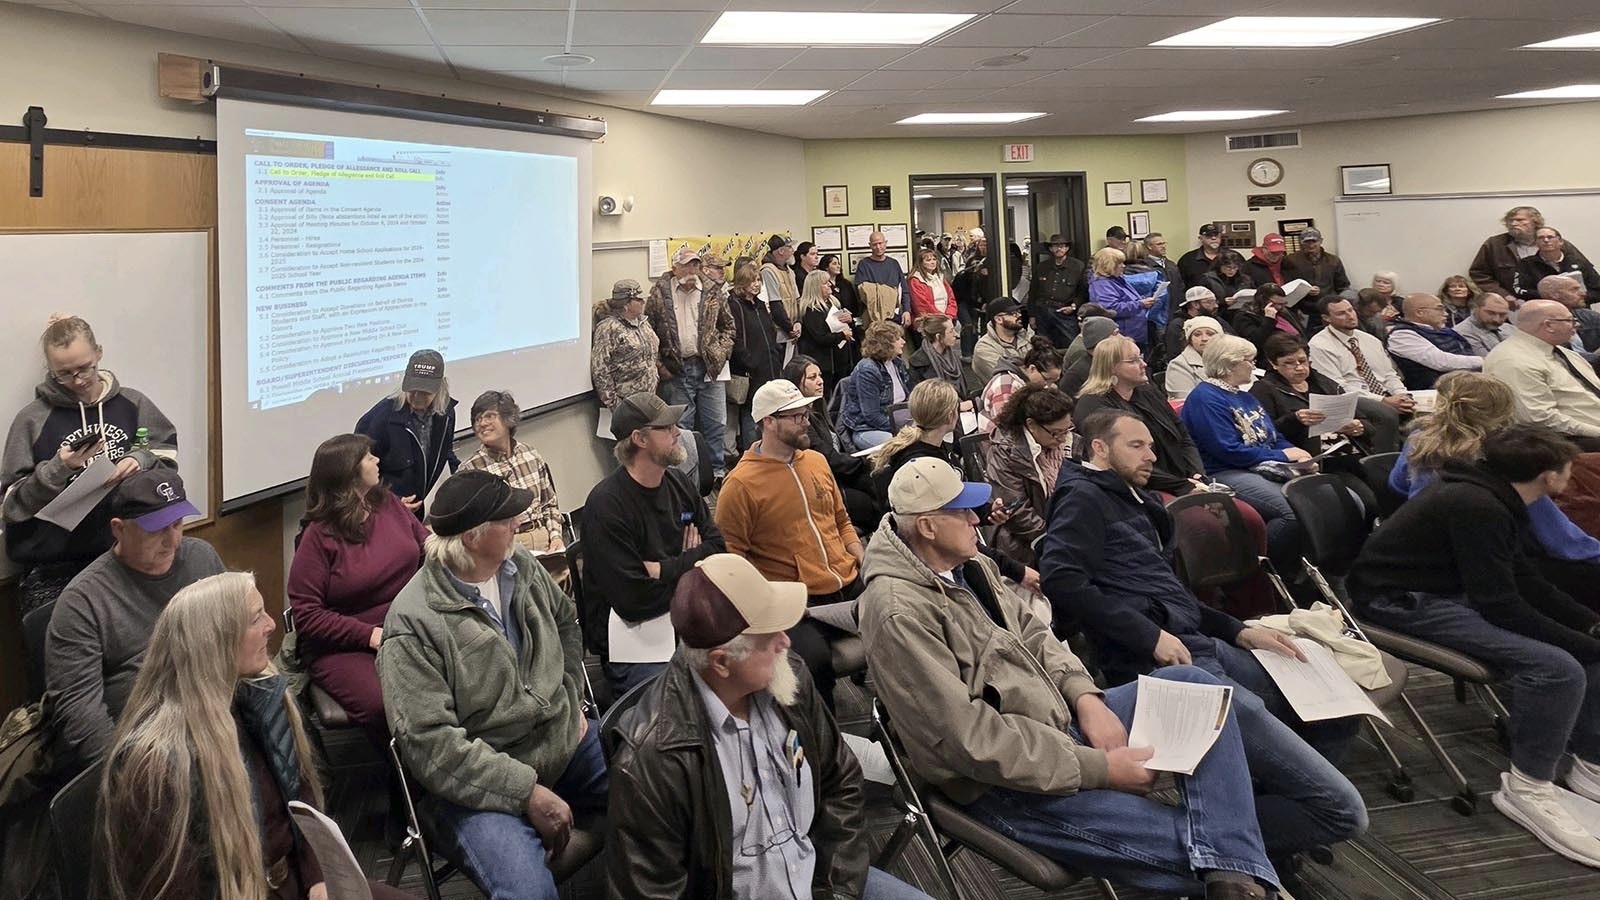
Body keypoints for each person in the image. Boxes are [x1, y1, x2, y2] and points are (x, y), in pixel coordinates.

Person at [859, 456, 1336, 899]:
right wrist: (1100, 769)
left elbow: (1037, 637)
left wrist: (1086, 699)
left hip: (1055, 719)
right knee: (1203, 849)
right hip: (1002, 782)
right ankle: (1236, 871)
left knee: (1195, 684)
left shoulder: (968, 564)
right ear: (926, 526)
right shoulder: (899, 611)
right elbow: (968, 742)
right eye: (963, 512)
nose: (977, 520)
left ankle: (1230, 866)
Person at [1041, 409, 1367, 777]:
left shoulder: (1132, 497)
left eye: (1150, 446)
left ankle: (1272, 804)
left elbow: (1172, 594)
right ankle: (1274, 809)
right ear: (1099, 448)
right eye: (1136, 446)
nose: (1150, 455)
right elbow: (1061, 580)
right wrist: (1150, 637)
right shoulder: (1083, 498)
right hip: (1157, 661)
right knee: (1313, 774)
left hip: (1197, 641)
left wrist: (1238, 630)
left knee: (1336, 709)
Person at [606, 553, 932, 900]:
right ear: (721, 662)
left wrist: (837, 891)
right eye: (769, 636)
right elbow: (650, 892)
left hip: (820, 877)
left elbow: (840, 782)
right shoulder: (653, 761)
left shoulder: (787, 678)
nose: (786, 641)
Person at [1348, 426, 1600, 867]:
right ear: (1548, 475)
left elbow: (1523, 578)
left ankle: (1589, 761)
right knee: (1558, 667)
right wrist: (1578, 640)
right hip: (1402, 602)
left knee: (1583, 650)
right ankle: (1528, 786)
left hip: (1436, 591)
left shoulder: (1493, 494)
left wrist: (1590, 626)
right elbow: (1499, 602)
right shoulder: (1478, 505)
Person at [98, 572, 412, 900]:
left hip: (293, 882)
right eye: (255, 618)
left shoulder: (261, 702)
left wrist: (316, 875)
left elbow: (302, 802)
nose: (272, 625)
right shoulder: (157, 766)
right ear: (215, 641)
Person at [380, 468, 606, 900]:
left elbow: (566, 624)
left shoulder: (518, 565)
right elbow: (432, 746)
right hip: (478, 787)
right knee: (529, 893)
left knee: (663, 789)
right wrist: (525, 792)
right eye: (508, 520)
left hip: (563, 744)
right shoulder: (412, 623)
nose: (519, 524)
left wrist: (573, 695)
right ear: (471, 537)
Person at [44, 469, 221, 771]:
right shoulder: (83, 601)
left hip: (209, 715)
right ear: (119, 529)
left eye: (178, 525)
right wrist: (127, 776)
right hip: (141, 744)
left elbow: (234, 635)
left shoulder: (201, 558)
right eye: (156, 530)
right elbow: (81, 715)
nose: (172, 541)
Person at [3, 315, 178, 613]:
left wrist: (140, 458)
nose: (79, 380)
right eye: (65, 374)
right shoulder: (32, 420)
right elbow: (10, 506)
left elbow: (167, 463)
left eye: (85, 368)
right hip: (54, 568)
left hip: (127, 554)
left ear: (99, 352)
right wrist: (59, 469)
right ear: (50, 371)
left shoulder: (132, 404)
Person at [1389, 372, 1600, 607]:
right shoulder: (1501, 458)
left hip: (1430, 556)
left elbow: (1396, 484)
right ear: (1503, 415)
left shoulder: (1419, 438)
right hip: (1484, 562)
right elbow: (1561, 539)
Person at [716, 379, 865, 709]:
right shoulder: (741, 485)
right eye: (796, 416)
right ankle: (824, 742)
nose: (806, 421)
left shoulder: (816, 461)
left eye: (806, 413)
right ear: (768, 422)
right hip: (797, 602)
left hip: (848, 582)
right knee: (811, 664)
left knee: (907, 624)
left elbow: (840, 519)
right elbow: (733, 559)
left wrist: (859, 553)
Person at [583, 392, 724, 697]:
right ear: (640, 439)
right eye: (666, 428)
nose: (677, 432)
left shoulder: (678, 482)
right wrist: (693, 567)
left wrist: (665, 568)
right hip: (632, 640)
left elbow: (718, 547)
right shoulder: (606, 506)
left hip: (685, 617)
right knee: (682, 699)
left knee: (742, 666)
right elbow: (634, 602)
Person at [288, 434, 428, 739]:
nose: (377, 460)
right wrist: (370, 635)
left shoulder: (388, 503)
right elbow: (307, 615)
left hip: (406, 624)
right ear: (349, 471)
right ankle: (408, 776)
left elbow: (427, 546)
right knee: (387, 704)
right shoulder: (318, 536)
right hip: (344, 645)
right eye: (368, 457)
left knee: (456, 679)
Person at [1179, 335, 1310, 567]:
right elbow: (1226, 450)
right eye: (1249, 360)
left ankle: (1308, 566)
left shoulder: (1244, 396)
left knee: (1316, 500)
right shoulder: (1205, 399)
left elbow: (1272, 437)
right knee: (1290, 513)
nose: (1254, 366)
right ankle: (1260, 572)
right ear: (1230, 364)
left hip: (1258, 464)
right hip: (1226, 471)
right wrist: (1282, 456)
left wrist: (1298, 453)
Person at [1074, 335, 1208, 497]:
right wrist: (1181, 485)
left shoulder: (1148, 392)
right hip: (1137, 487)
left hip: (1183, 478)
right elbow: (1122, 462)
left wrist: (1197, 474)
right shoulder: (1093, 405)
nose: (1143, 364)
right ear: (1111, 367)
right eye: (1133, 360)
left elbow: (1183, 435)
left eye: (1141, 357)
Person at [647, 245, 735, 482]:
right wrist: (659, 365)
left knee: (716, 422)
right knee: (682, 426)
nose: (692, 269)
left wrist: (721, 352)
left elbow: (728, 327)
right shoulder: (659, 293)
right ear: (674, 267)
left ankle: (716, 472)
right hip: (677, 369)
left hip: (709, 367)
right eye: (687, 264)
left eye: (696, 264)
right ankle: (686, 476)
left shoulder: (712, 291)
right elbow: (650, 331)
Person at [353, 348, 459, 518]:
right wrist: (390, 501)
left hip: (423, 509)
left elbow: (445, 452)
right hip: (387, 512)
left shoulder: (446, 414)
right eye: (412, 389)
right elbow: (359, 474)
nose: (417, 396)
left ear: (440, 387)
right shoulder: (379, 420)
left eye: (425, 392)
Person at [1483, 300, 1600, 450]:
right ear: (1548, 325)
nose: (1576, 325)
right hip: (1567, 439)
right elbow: (1539, 419)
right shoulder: (1513, 361)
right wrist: (1597, 432)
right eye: (1570, 320)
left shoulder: (1562, 352)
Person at [1252, 333, 1394, 456]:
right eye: (1289, 363)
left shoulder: (1322, 382)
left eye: (1302, 361)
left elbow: (1364, 422)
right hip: (1311, 456)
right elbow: (1264, 433)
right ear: (1273, 364)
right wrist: (1294, 420)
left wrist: (1359, 427)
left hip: (1350, 449)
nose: (1299, 368)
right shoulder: (1264, 390)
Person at [782, 356, 879, 531]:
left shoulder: (819, 408)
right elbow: (827, 457)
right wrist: (865, 462)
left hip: (840, 474)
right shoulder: (802, 421)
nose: (820, 381)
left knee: (881, 482)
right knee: (874, 495)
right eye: (812, 378)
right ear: (796, 383)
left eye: (820, 376)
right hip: (826, 482)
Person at [460, 391, 564, 553]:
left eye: (489, 416)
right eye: (477, 419)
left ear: (508, 419)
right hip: (507, 547)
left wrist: (556, 537)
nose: (482, 423)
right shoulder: (470, 470)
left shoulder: (529, 453)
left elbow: (549, 503)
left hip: (545, 538)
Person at [985, 382, 1074, 568]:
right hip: (1026, 543)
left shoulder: (1068, 443)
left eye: (1067, 430)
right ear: (1031, 425)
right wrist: (1057, 540)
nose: (1063, 439)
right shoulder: (1005, 451)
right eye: (1056, 433)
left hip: (1066, 527)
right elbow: (1015, 509)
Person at [1307, 298, 1415, 425]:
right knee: (1387, 414)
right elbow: (1337, 387)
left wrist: (1402, 395)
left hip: (1387, 395)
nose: (1350, 316)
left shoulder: (1370, 340)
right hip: (1355, 401)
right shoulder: (1319, 345)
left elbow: (1389, 374)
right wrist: (1383, 400)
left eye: (1350, 310)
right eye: (1341, 313)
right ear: (1326, 318)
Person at [727, 261, 793, 451]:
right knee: (752, 413)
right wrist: (750, 362)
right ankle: (752, 451)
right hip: (750, 369)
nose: (756, 284)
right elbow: (736, 338)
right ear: (742, 283)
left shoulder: (761, 305)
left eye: (758, 280)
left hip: (770, 365)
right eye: (752, 281)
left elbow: (770, 332)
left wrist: (775, 354)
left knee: (770, 410)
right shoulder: (735, 305)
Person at [1470, 205, 1590, 297]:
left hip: (1560, 302)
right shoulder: (1495, 244)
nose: (1513, 224)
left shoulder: (1555, 242)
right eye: (1510, 221)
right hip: (1514, 305)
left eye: (1519, 220)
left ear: (1535, 222)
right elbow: (1479, 273)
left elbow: (1583, 270)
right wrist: (1503, 296)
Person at [591, 279, 662, 411]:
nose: (643, 302)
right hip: (625, 402)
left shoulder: (643, 323)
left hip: (649, 398)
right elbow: (600, 369)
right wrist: (614, 403)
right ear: (626, 304)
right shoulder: (608, 328)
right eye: (638, 300)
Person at [1387, 293, 1483, 389]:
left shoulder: (1444, 331)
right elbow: (1441, 362)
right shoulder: (1401, 336)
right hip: (1438, 391)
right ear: (1420, 312)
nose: (1446, 313)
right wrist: (1484, 361)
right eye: (1439, 309)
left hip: (1465, 382)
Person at [840, 321, 912, 449]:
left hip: (898, 422)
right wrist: (902, 430)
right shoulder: (867, 370)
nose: (903, 342)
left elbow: (909, 398)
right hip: (868, 429)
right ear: (885, 344)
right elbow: (872, 416)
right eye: (898, 339)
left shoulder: (897, 363)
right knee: (902, 444)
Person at [796, 269, 857, 399]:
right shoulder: (811, 309)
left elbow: (844, 326)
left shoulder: (833, 303)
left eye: (829, 282)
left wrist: (849, 321)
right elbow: (820, 337)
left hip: (840, 360)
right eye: (825, 283)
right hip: (823, 363)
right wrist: (842, 335)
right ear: (815, 287)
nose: (830, 285)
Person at [979, 337, 1061, 429]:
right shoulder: (1006, 386)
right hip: (997, 438)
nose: (1048, 385)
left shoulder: (1031, 383)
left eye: (1054, 381)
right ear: (1032, 369)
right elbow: (1004, 426)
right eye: (1047, 379)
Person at [1087, 247, 1157, 352]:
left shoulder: (1117, 279)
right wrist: (1140, 304)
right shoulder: (1102, 285)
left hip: (1132, 331)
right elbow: (1110, 309)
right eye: (1119, 263)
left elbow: (1127, 299)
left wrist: (1143, 301)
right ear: (1109, 265)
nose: (1123, 266)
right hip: (1122, 334)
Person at [1029, 232, 1087, 346]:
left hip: (1064, 312)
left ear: (1067, 248)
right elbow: (1033, 292)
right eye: (1055, 246)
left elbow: (1082, 291)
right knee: (1043, 345)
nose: (1059, 249)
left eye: (1062, 246)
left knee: (1071, 344)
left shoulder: (1078, 266)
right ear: (1050, 248)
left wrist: (1073, 306)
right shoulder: (1042, 267)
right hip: (1043, 311)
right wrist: (1032, 315)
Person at [1515, 226, 1600, 305]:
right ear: (1536, 243)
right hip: (1545, 309)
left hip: (1579, 308)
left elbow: (1597, 289)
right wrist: (1553, 297)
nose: (1546, 240)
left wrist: (1579, 297)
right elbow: (1519, 290)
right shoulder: (1526, 264)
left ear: (1560, 242)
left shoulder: (1578, 262)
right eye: (1541, 238)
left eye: (1550, 237)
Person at [1227, 282, 1308, 355]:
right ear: (1263, 300)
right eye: (1275, 304)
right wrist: (1269, 319)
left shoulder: (1283, 312)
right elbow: (1255, 341)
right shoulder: (1244, 316)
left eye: (1283, 303)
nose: (1280, 307)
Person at [907, 314, 972, 400]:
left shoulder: (953, 358)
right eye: (951, 331)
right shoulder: (918, 362)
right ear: (938, 337)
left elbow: (964, 391)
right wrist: (958, 406)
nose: (956, 335)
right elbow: (925, 400)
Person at [855, 231, 913, 325]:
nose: (878, 247)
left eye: (880, 243)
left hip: (894, 315)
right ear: (870, 245)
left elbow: (904, 290)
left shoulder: (894, 264)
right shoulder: (864, 265)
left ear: (885, 243)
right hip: (873, 317)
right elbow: (861, 291)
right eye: (874, 244)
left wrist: (907, 310)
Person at [971, 296, 1034, 383]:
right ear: (999, 319)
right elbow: (1006, 377)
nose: (1019, 315)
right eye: (1013, 313)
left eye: (1018, 312)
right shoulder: (984, 348)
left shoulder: (1027, 338)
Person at [1164, 285, 1235, 361]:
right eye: (1209, 302)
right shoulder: (1177, 325)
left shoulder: (1217, 321)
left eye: (1215, 302)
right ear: (1195, 304)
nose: (1216, 306)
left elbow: (1234, 340)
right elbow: (1174, 354)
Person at [1282, 227, 1351, 303]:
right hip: (1302, 307)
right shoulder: (1291, 260)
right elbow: (1287, 286)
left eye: (1314, 241)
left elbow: (1343, 287)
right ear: (1301, 242)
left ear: (1321, 241)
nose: (1311, 245)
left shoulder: (1334, 261)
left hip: (1328, 306)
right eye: (1307, 242)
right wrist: (1304, 291)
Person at [1535, 273, 1600, 354]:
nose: (1583, 294)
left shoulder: (1590, 316)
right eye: (1574, 290)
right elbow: (1562, 359)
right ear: (1554, 295)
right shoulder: (1543, 326)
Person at [1164, 315, 1224, 401]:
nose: (1204, 338)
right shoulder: (1178, 365)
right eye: (1197, 334)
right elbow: (1185, 401)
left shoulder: (1231, 359)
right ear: (1190, 340)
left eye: (1210, 334)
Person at [1455, 291, 1518, 357]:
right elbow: (1489, 362)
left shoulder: (1510, 328)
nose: (1496, 319)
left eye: (1502, 314)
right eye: (1491, 313)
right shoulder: (1461, 333)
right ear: (1475, 308)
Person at [908, 246, 958, 323]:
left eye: (934, 259)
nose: (932, 262)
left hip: (947, 319)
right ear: (921, 263)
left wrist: (949, 315)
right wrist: (941, 318)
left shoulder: (940, 277)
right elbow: (922, 305)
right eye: (928, 260)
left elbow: (951, 298)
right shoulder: (916, 280)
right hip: (929, 322)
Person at [760, 234, 800, 326]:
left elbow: (797, 300)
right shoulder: (768, 271)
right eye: (789, 247)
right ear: (781, 251)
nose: (793, 251)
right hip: (779, 330)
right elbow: (775, 305)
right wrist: (789, 328)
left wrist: (798, 323)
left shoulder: (789, 271)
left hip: (794, 327)